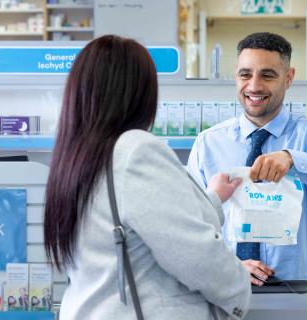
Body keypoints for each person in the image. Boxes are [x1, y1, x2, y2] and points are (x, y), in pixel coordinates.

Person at [43, 35, 251, 320]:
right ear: (139, 93)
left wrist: (214, 199)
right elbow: (195, 254)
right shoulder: (136, 150)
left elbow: (139, 224)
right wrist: (240, 292)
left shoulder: (75, 158)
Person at [188, 32, 307, 284]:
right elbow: (191, 222)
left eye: (267, 75)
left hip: (300, 287)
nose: (253, 86)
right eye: (245, 74)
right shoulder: (208, 143)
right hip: (229, 283)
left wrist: (293, 159)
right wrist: (231, 265)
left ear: (289, 77)